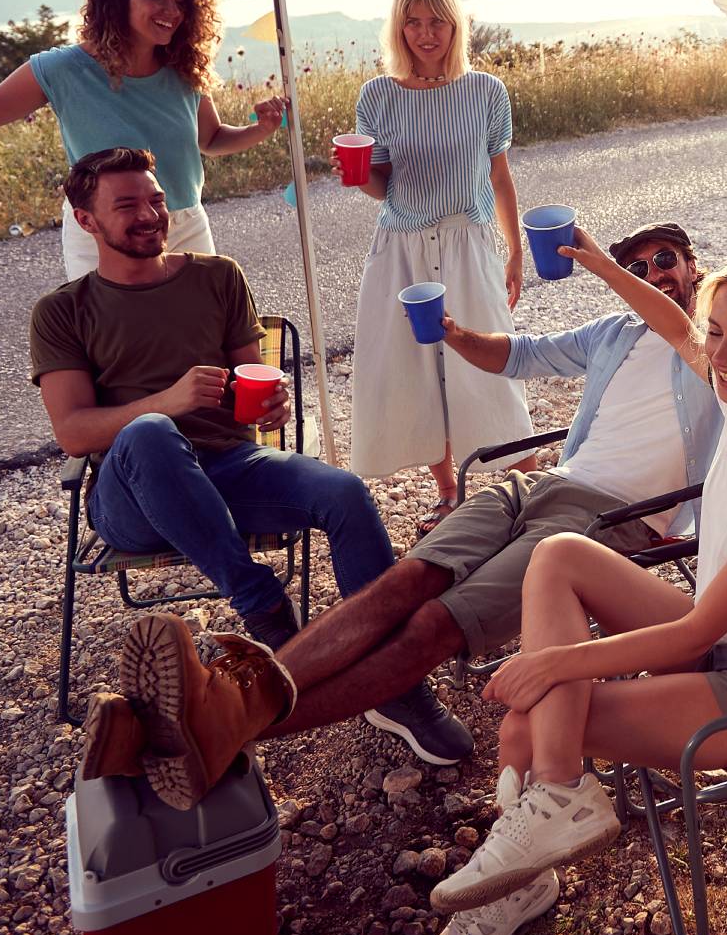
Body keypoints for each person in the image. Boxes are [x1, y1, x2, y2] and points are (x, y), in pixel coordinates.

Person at [84, 96, 727, 795]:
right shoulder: (640, 339)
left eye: (668, 260)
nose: (657, 274)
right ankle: (220, 709)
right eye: (641, 262)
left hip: (614, 519)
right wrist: (457, 333)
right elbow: (520, 354)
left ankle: (218, 725)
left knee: (431, 626)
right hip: (542, 488)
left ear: (695, 270)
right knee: (399, 586)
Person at [418, 233, 727, 935]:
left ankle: (527, 864)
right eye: (717, 333)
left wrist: (552, 663)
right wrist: (595, 257)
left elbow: (697, 630)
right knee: (557, 556)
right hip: (722, 639)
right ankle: (558, 800)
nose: (720, 354)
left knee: (532, 720)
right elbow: (676, 325)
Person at [39, 146, 470, 801]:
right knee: (153, 433)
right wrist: (169, 402)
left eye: (154, 200)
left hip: (230, 466)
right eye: (126, 204)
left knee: (346, 493)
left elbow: (254, 384)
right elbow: (72, 430)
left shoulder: (216, 276)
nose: (149, 214)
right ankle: (262, 605)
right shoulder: (64, 311)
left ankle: (397, 689)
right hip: (131, 491)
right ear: (85, 220)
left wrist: (272, 404)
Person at [0, 0, 286, 278]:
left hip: (184, 224)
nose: (173, 10)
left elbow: (211, 139)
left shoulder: (183, 70)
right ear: (118, 1)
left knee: (202, 340)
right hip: (101, 233)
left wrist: (261, 128)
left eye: (181, 2)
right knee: (116, 351)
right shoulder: (62, 69)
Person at [342, 0, 533, 528]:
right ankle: (449, 489)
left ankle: (522, 475)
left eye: (437, 22)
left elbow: (499, 176)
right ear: (398, 28)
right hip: (400, 245)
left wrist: (514, 248)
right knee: (415, 364)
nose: (426, 34)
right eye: (414, 22)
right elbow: (383, 184)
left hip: (469, 242)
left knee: (488, 356)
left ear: (455, 26)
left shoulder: (486, 91)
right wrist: (359, 182)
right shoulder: (376, 96)